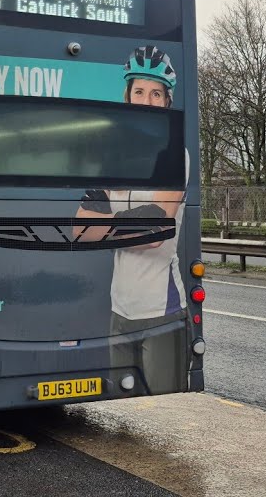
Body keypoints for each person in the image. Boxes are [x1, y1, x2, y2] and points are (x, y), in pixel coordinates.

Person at [75, 45, 186, 392]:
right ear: (127, 96)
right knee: (125, 417)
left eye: (156, 94)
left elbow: (155, 232)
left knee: (164, 417)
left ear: (167, 102)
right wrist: (133, 221)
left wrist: (108, 223)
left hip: (161, 311)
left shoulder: (174, 155)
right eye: (139, 91)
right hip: (119, 310)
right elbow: (79, 231)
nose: (147, 100)